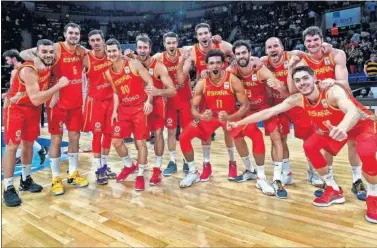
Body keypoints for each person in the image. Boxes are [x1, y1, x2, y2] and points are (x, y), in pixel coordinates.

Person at [228, 66, 377, 224]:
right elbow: (268, 112)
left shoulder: (332, 91)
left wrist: (342, 128)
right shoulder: (298, 99)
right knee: (309, 146)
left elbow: (353, 111)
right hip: (332, 128)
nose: (302, 83)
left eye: (305, 78)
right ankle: (333, 189)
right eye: (297, 80)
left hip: (362, 125)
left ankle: (373, 196)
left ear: (314, 78)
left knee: (366, 152)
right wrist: (239, 122)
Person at [288, 26, 366, 200]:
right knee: (327, 146)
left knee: (353, 144)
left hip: (343, 103)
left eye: (316, 39)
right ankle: (329, 183)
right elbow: (295, 88)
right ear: (305, 43)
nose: (313, 43)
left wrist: (334, 81)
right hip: (324, 108)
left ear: (322, 39)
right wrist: (291, 63)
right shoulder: (303, 61)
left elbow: (345, 84)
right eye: (308, 41)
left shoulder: (336, 54)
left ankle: (357, 180)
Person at [20, 22, 89, 196]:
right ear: (65, 34)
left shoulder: (81, 51)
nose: (74, 36)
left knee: (75, 138)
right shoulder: (55, 48)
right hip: (57, 103)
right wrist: (36, 58)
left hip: (76, 103)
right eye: (71, 33)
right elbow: (23, 53)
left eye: (76, 33)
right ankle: (56, 177)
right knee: (56, 140)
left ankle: (73, 172)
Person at [2, 39, 69, 207]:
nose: (47, 54)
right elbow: (36, 97)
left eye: (50, 51)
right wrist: (59, 87)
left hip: (32, 110)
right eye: (43, 52)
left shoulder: (50, 64)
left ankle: (25, 179)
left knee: (28, 145)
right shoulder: (29, 70)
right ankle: (8, 187)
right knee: (12, 147)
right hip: (16, 109)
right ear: (37, 53)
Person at [177, 23, 239, 181]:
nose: (203, 36)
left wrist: (229, 70)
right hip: (206, 94)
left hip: (225, 92)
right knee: (205, 132)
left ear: (210, 33)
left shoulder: (222, 44)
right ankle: (206, 165)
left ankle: (233, 163)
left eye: (206, 33)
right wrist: (181, 60)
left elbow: (238, 57)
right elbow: (181, 76)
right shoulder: (192, 51)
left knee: (228, 130)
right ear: (196, 37)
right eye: (200, 34)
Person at [179, 49, 249, 188]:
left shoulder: (232, 79)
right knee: (183, 137)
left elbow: (245, 105)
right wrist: (200, 116)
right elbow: (193, 108)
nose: (215, 66)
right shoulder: (202, 82)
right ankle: (196, 170)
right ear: (207, 65)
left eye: (218, 63)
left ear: (223, 64)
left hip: (229, 114)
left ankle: (236, 164)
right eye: (211, 63)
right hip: (210, 115)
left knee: (235, 136)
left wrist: (231, 117)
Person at [227, 40, 289, 198]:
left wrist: (277, 85)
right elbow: (220, 78)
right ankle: (250, 170)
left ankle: (277, 178)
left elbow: (281, 89)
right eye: (238, 53)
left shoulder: (259, 68)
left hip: (265, 108)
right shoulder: (232, 70)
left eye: (244, 53)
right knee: (237, 136)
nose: (241, 56)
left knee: (276, 137)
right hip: (247, 109)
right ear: (234, 56)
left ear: (249, 53)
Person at [104, 38, 162, 191]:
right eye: (109, 51)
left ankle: (141, 175)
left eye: (114, 50)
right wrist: (115, 111)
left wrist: (149, 101)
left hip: (139, 108)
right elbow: (116, 93)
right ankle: (129, 165)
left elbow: (150, 81)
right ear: (106, 53)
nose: (112, 54)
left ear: (120, 51)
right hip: (123, 110)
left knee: (141, 143)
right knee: (116, 141)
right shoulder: (108, 73)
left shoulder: (133, 64)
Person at [262, 37, 318, 186]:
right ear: (266, 51)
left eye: (276, 46)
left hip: (296, 103)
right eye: (269, 47)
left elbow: (294, 91)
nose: (273, 49)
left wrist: (280, 86)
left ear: (282, 48)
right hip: (278, 106)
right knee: (279, 139)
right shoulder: (263, 63)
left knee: (309, 139)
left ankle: (313, 171)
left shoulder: (294, 60)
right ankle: (286, 173)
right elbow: (244, 61)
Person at [134, 34, 176, 186]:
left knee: (158, 134)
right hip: (138, 104)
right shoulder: (132, 63)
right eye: (140, 47)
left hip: (157, 103)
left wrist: (158, 92)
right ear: (136, 49)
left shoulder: (158, 66)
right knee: (139, 136)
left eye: (145, 47)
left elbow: (172, 90)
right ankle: (141, 164)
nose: (142, 50)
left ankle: (157, 167)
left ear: (150, 49)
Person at [152, 32, 193, 176]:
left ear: (178, 43)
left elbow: (181, 79)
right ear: (164, 44)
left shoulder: (186, 53)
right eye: (168, 43)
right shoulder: (158, 58)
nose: (171, 45)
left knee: (186, 132)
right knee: (170, 132)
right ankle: (172, 161)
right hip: (169, 101)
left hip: (185, 99)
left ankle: (187, 161)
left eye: (173, 43)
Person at [81, 30, 117, 185]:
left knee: (108, 134)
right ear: (89, 43)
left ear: (103, 40)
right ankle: (98, 168)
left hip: (111, 101)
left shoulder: (112, 55)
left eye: (98, 39)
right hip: (95, 102)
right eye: (92, 40)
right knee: (97, 135)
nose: (95, 43)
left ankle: (105, 165)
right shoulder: (86, 58)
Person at [2, 49, 48, 165]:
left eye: (7, 58)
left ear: (13, 58)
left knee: (21, 138)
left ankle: (37, 151)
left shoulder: (19, 71)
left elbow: (15, 91)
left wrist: (7, 97)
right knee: (23, 137)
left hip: (25, 105)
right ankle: (39, 150)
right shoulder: (26, 68)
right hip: (30, 105)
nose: (6, 61)